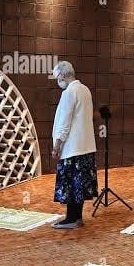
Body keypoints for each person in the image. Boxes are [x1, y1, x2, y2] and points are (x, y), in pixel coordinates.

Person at [51, 61, 98, 229]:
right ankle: (77, 218)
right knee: (80, 185)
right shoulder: (85, 90)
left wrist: (57, 146)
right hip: (86, 147)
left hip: (73, 148)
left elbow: (64, 123)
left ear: (63, 75)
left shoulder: (69, 92)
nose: (58, 81)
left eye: (57, 78)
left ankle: (70, 219)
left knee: (70, 185)